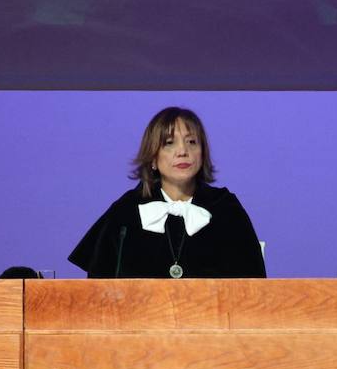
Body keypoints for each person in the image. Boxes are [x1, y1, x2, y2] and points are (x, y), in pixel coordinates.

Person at [67, 107, 266, 278]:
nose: (182, 151)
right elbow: (97, 288)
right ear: (152, 157)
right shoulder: (126, 212)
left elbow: (253, 288)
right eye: (169, 143)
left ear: (202, 153)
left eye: (192, 142)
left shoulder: (225, 208)